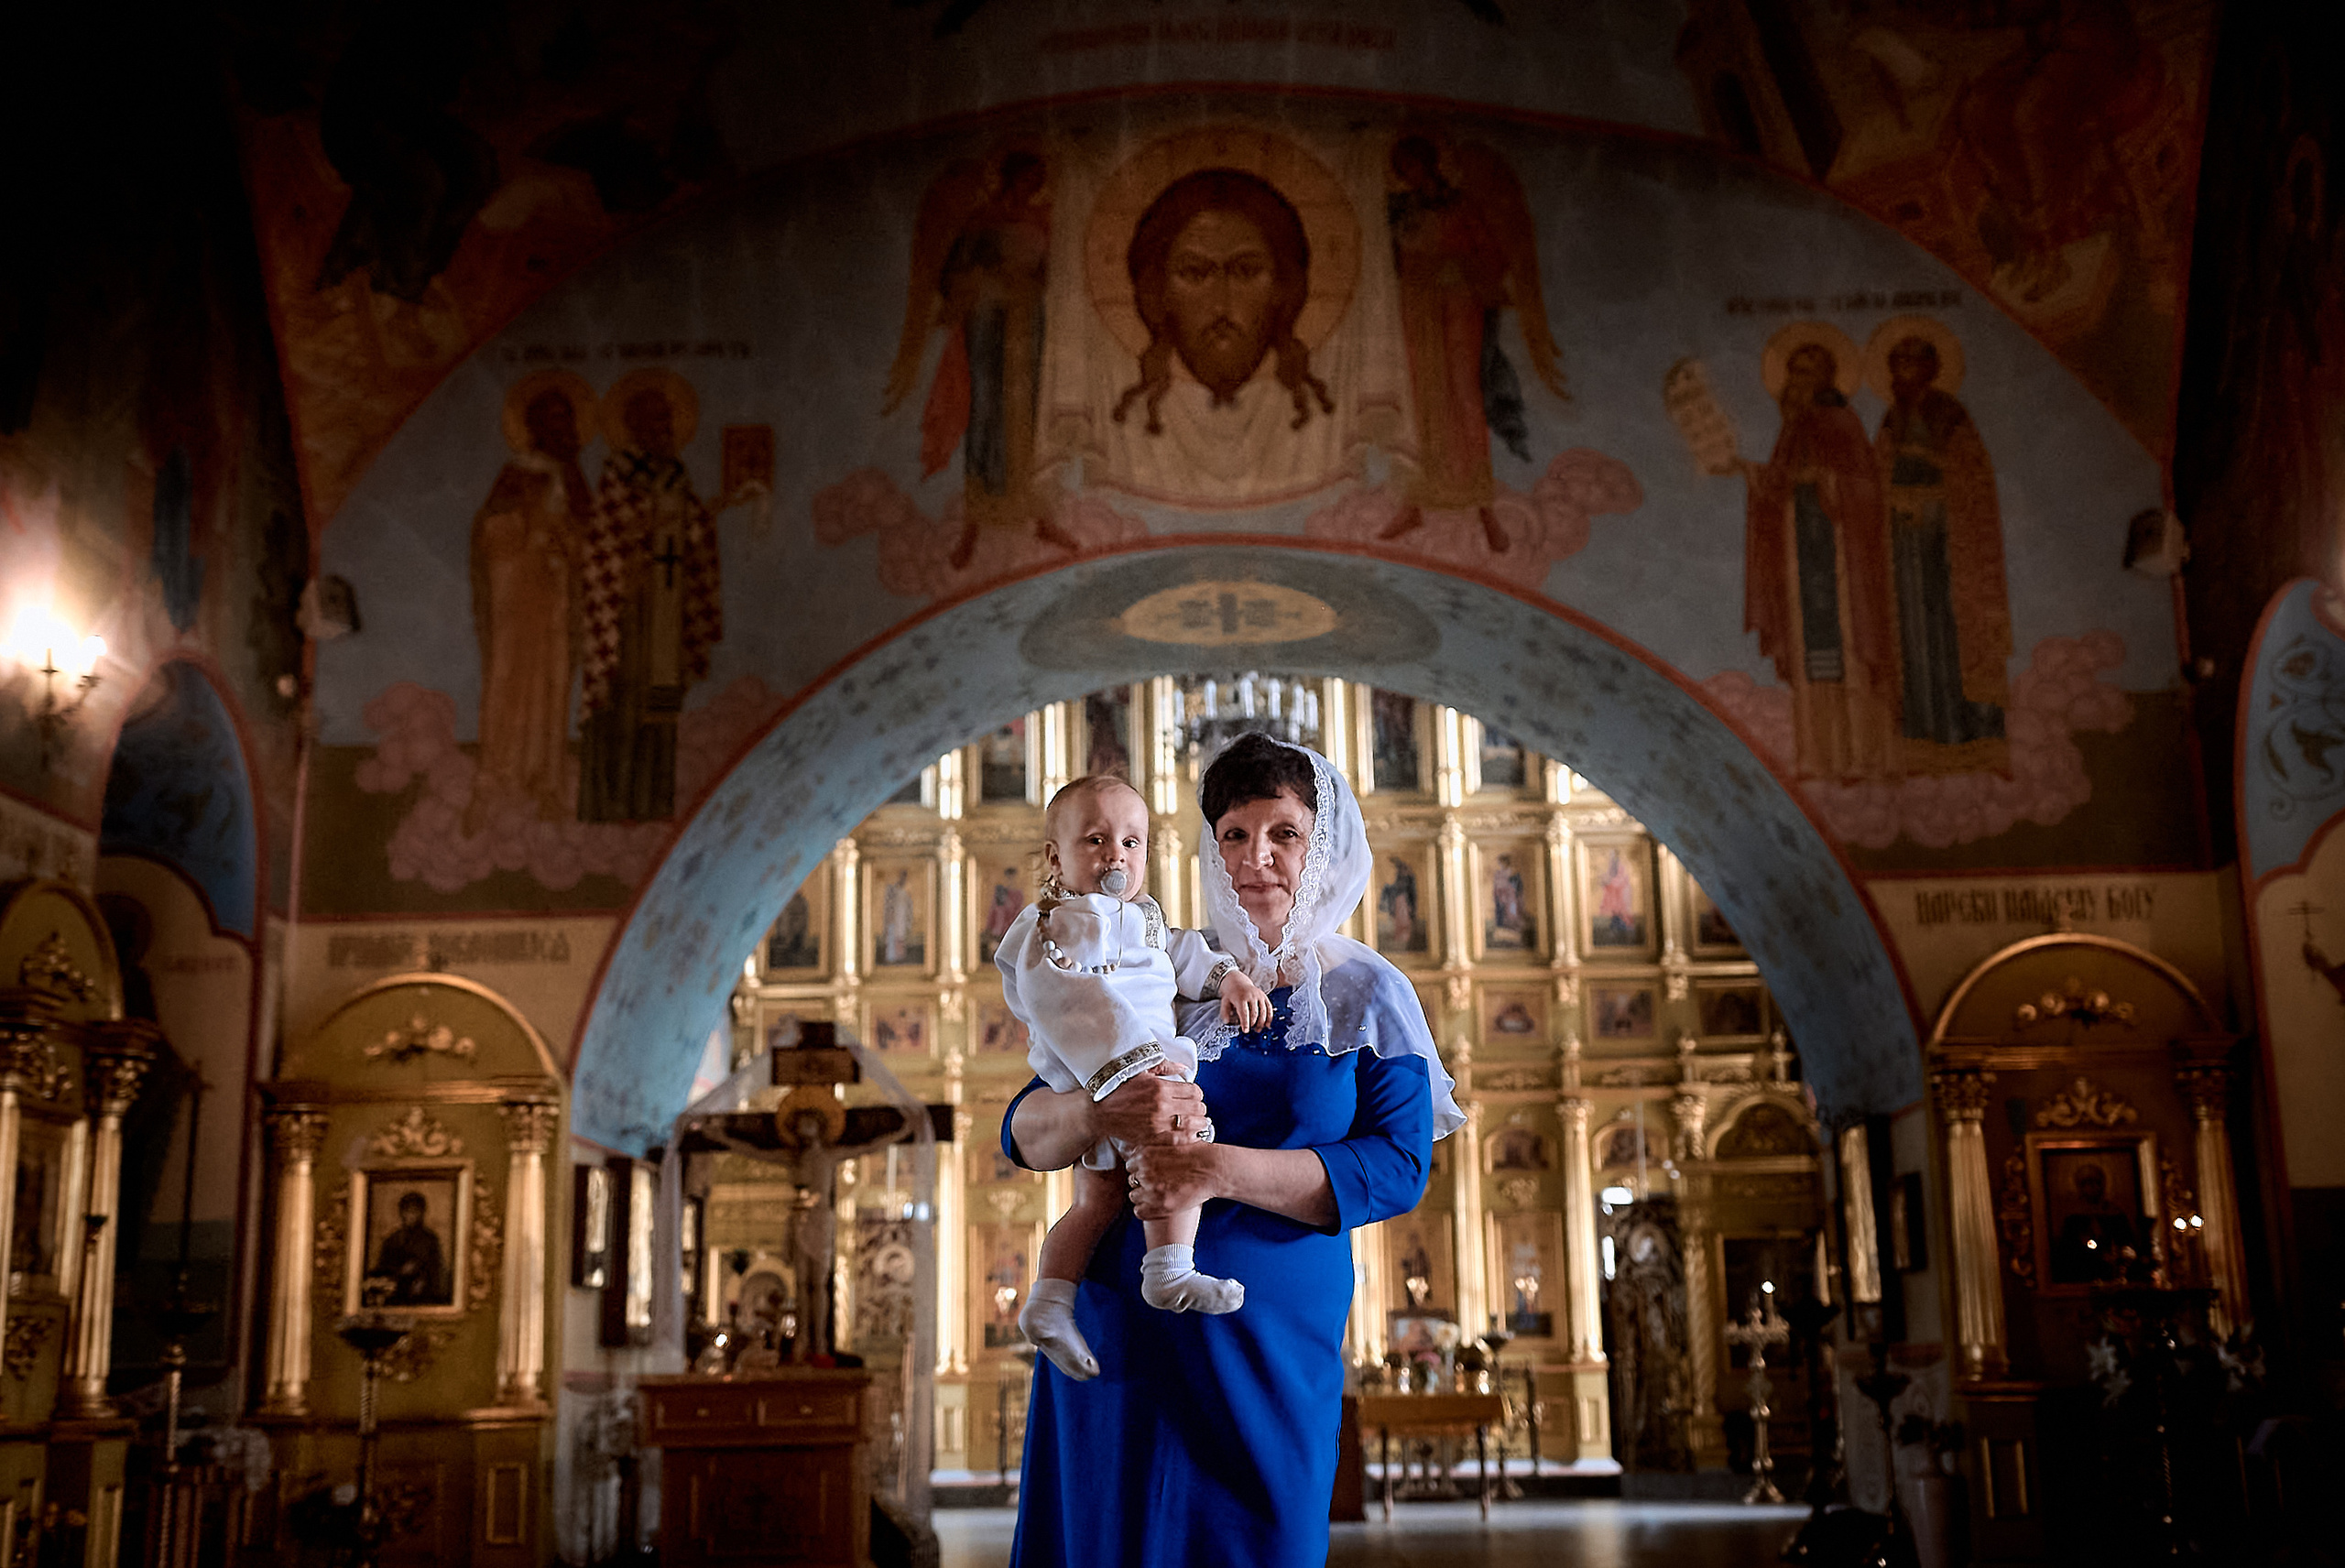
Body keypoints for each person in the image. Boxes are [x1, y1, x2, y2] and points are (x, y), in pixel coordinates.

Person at [1002, 734, 1463, 1568]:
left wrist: (1214, 1170)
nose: (1257, 859)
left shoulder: (1366, 992)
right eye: (1234, 835)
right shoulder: (1151, 970)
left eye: (1283, 834)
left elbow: (1396, 1169)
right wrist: (1100, 1111)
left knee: (1262, 1542)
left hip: (1267, 1336)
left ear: (1320, 843)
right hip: (1116, 1326)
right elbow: (1024, 1132)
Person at [998, 775, 1274, 1378]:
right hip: (1113, 1074)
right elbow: (1068, 1000)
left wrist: (1228, 979)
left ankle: (1048, 1302)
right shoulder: (1045, 928)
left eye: (1132, 843)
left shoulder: (1144, 918)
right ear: (1055, 856)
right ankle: (1168, 1270)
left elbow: (1182, 953)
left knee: (1096, 1203)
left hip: (1128, 1075)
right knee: (1177, 1143)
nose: (1115, 856)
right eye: (1096, 840)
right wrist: (1135, 1067)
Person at [368, 1192, 449, 1306]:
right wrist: (400, 1272)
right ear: (401, 1213)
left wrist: (423, 1281)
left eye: (415, 1211)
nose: (411, 1216)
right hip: (396, 1295)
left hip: (424, 1297)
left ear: (422, 1213)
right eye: (408, 1211)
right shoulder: (392, 1240)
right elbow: (382, 1271)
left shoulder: (430, 1240)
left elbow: (437, 1272)